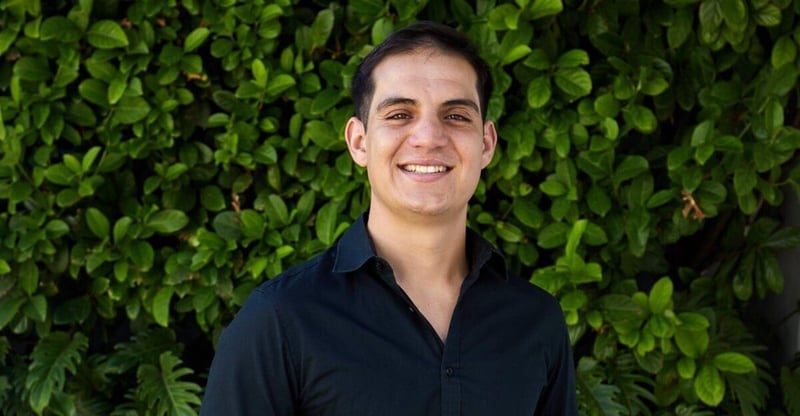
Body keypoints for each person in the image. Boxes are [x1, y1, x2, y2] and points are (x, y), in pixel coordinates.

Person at [200, 21, 577, 415]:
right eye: (399, 115)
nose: (428, 137)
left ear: (486, 144)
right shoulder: (280, 320)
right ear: (359, 142)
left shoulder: (536, 322)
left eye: (456, 116)